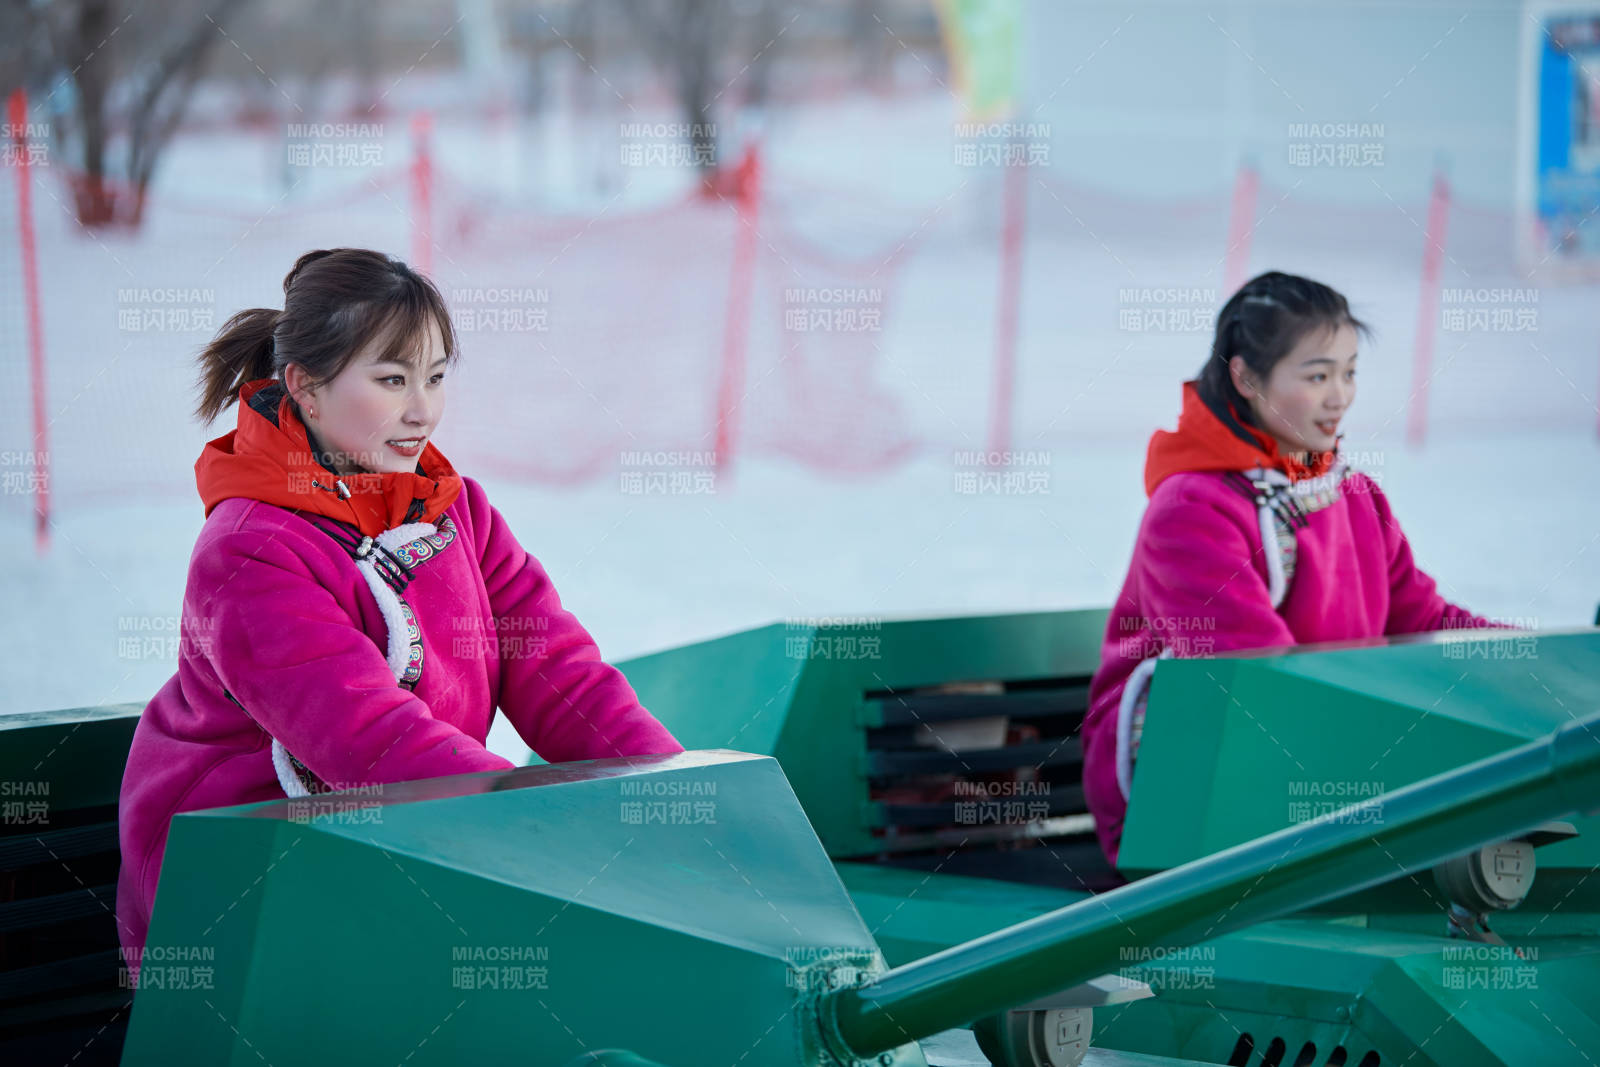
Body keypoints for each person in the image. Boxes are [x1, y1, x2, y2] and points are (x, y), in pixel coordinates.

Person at [117, 249, 682, 980]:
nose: (423, 409)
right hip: (247, 879)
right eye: (392, 379)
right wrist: (520, 816)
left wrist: (661, 783)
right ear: (307, 388)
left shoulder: (456, 514)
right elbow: (366, 738)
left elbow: (555, 668)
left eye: (437, 376)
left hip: (410, 833)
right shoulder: (250, 551)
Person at [1081, 271, 1498, 867]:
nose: (1341, 396)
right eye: (1318, 375)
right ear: (1246, 377)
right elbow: (1255, 685)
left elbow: (1422, 618)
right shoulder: (1192, 509)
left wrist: (1536, 664)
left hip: (1322, 776)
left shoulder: (1352, 494)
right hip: (1189, 798)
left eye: (1350, 372)